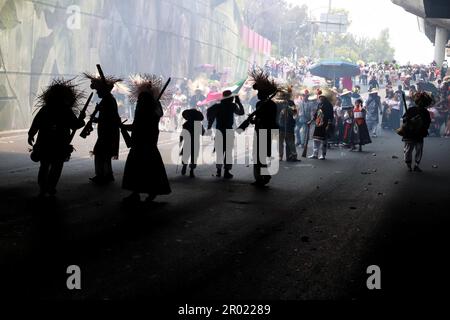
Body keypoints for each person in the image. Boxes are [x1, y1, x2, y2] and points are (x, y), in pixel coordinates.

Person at [28, 79, 85, 197]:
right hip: (60, 144)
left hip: (45, 143)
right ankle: (51, 186)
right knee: (57, 166)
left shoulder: (45, 109)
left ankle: (43, 187)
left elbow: (36, 123)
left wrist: (31, 135)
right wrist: (81, 119)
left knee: (44, 165)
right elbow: (75, 125)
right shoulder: (66, 110)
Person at [122, 74, 171, 202]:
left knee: (145, 167)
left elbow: (141, 124)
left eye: (140, 98)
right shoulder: (150, 106)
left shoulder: (151, 107)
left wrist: (126, 127)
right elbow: (137, 124)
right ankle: (137, 192)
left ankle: (149, 192)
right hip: (142, 141)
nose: (138, 100)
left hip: (146, 142)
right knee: (139, 167)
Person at [84, 72, 122, 185]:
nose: (97, 92)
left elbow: (108, 118)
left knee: (102, 153)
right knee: (104, 154)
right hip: (107, 131)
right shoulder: (108, 99)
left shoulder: (108, 100)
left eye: (98, 91)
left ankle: (102, 175)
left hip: (108, 132)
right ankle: (106, 174)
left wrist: (96, 120)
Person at [248, 68, 278, 187]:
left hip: (266, 131)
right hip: (259, 131)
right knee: (258, 155)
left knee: (262, 155)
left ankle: (263, 176)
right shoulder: (259, 104)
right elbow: (258, 118)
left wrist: (258, 119)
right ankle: (261, 177)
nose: (258, 95)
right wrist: (253, 120)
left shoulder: (270, 105)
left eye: (260, 93)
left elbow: (270, 119)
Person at [207, 90, 245, 179]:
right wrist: (239, 102)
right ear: (231, 98)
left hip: (219, 131)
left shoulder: (217, 106)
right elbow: (241, 112)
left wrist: (209, 127)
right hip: (228, 131)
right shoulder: (232, 106)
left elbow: (211, 117)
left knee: (219, 152)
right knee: (228, 152)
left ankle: (218, 171)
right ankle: (226, 171)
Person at [401, 91, 432, 172]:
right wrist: (407, 120)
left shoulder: (425, 112)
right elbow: (404, 120)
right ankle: (409, 165)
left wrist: (422, 126)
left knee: (418, 149)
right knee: (408, 150)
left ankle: (416, 165)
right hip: (410, 133)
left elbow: (427, 122)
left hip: (419, 133)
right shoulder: (411, 109)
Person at [309, 89, 335, 160]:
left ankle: (323, 155)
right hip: (318, 124)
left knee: (324, 140)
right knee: (316, 139)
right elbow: (316, 114)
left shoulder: (329, 105)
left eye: (321, 97)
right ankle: (315, 154)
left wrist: (329, 124)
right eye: (319, 96)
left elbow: (331, 115)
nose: (320, 98)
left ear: (324, 97)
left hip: (325, 124)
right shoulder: (319, 104)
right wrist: (311, 121)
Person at [180, 109, 205, 178]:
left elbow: (182, 134)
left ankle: (184, 167)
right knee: (194, 157)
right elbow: (203, 133)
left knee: (185, 155)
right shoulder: (199, 124)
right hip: (195, 143)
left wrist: (181, 140)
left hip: (187, 142)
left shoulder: (186, 124)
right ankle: (191, 171)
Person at [277, 89, 299, 162]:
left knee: (289, 142)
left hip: (288, 125)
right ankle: (281, 156)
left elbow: (295, 113)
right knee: (281, 142)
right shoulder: (278, 103)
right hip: (281, 125)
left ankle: (291, 156)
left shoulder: (290, 103)